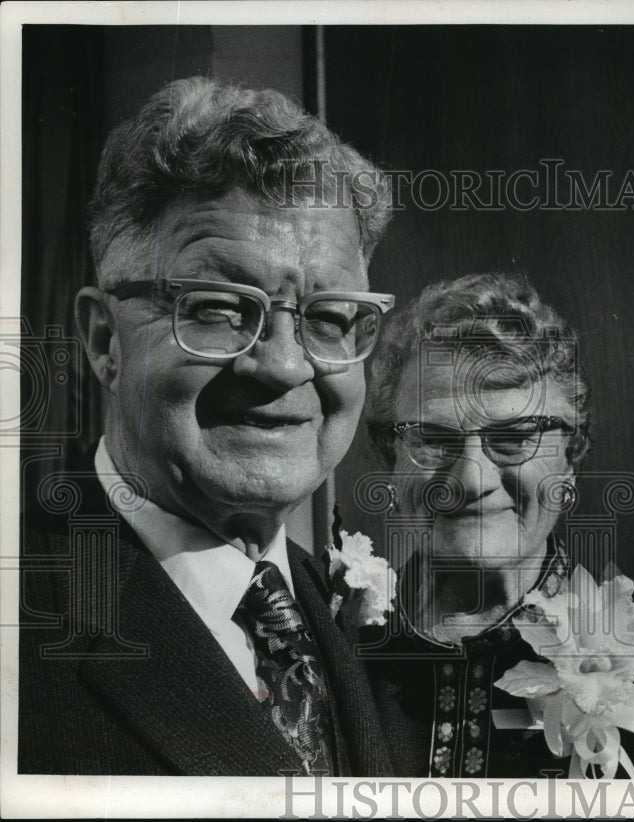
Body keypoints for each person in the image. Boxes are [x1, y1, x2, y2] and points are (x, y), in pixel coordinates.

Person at [19, 77, 397, 776]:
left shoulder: (333, 613)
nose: (284, 366)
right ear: (104, 340)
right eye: (220, 308)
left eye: (327, 317)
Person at [358, 272, 634, 779]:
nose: (471, 477)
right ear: (388, 454)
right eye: (433, 438)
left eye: (515, 436)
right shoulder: (342, 645)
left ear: (571, 456)